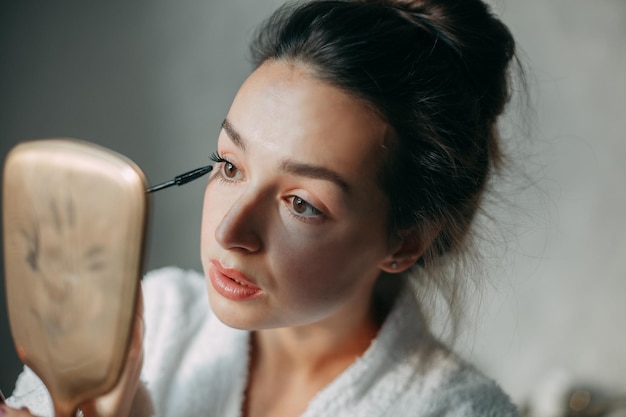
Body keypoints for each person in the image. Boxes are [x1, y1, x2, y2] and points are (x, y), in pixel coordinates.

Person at [4, 0, 523, 415]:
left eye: (300, 203)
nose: (230, 231)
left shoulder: (458, 410)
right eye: (230, 167)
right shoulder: (149, 322)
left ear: (404, 239)